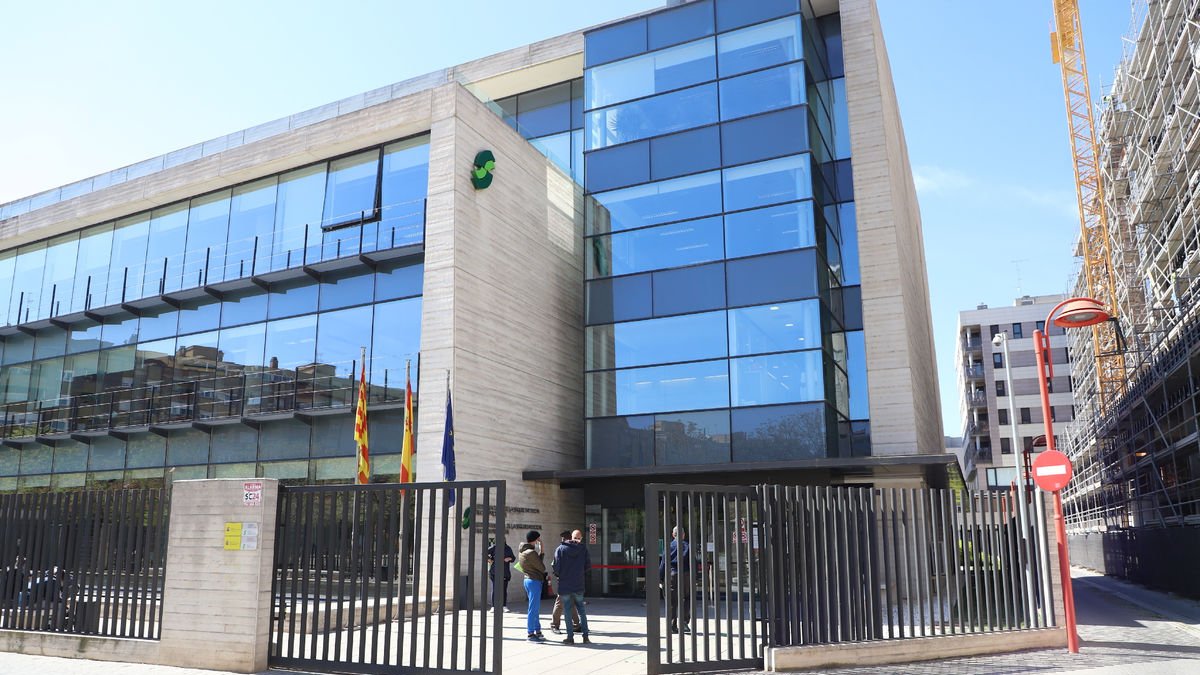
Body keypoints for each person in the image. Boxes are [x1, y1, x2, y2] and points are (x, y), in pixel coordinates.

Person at [553, 529, 591, 644]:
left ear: (570, 537)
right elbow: (587, 566)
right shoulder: (583, 549)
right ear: (580, 538)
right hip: (578, 584)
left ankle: (570, 637)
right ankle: (585, 637)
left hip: (565, 585)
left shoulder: (560, 549)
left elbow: (556, 568)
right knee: (582, 611)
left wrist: (562, 575)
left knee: (568, 612)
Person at [658, 526, 692, 634]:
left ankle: (673, 625)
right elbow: (693, 562)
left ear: (673, 535)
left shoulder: (669, 546)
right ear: (683, 535)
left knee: (672, 601)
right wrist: (695, 577)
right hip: (686, 575)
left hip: (672, 575)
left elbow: (663, 563)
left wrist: (660, 577)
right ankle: (685, 621)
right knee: (687, 597)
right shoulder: (687, 546)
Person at [518, 530, 548, 641]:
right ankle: (530, 634)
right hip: (534, 581)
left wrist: (541, 549)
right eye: (538, 539)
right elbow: (542, 567)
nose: (538, 541)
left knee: (534, 608)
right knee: (533, 608)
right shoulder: (531, 553)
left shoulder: (523, 551)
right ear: (535, 540)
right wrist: (541, 549)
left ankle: (537, 630)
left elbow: (536, 563)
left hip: (528, 580)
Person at [550, 530, 581, 634]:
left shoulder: (561, 549)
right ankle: (555, 625)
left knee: (568, 602)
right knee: (561, 602)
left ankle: (575, 625)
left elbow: (556, 566)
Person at [486, 540, 515, 611]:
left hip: (504, 572)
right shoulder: (494, 547)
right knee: (495, 589)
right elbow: (484, 552)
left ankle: (504, 606)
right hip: (494, 572)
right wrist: (489, 560)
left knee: (504, 590)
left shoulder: (508, 548)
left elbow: (513, 558)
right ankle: (493, 606)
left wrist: (509, 559)